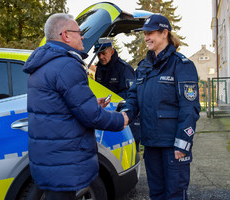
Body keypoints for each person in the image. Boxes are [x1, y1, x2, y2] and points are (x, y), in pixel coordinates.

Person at [23, 13, 128, 200]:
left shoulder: (45, 63)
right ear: (65, 35)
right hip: (64, 159)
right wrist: (121, 119)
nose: (83, 37)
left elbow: (56, 106)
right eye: (79, 32)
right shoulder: (66, 65)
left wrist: (90, 103)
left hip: (52, 157)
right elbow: (91, 116)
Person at [120, 14, 201, 200]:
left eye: (150, 33)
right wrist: (125, 115)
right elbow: (133, 97)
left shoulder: (181, 65)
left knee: (175, 195)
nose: (146, 37)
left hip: (172, 145)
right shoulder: (143, 66)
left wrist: (183, 144)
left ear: (165, 33)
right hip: (151, 143)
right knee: (156, 194)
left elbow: (190, 108)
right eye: (145, 33)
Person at [94, 38, 141, 151]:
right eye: (98, 54)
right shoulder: (99, 69)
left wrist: (108, 99)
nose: (101, 57)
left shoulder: (124, 68)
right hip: (110, 117)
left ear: (112, 51)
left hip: (127, 117)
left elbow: (130, 94)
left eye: (104, 53)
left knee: (130, 153)